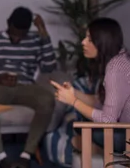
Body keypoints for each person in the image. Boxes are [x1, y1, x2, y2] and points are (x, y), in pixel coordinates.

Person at [0, 6, 56, 168]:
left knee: (47, 99)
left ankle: (26, 155)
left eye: (22, 34)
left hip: (25, 86)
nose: (17, 37)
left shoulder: (35, 40)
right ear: (8, 24)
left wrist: (44, 33)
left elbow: (49, 66)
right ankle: (1, 157)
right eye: (14, 32)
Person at [52, 18, 130, 153]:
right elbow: (102, 102)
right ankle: (101, 152)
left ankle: (103, 154)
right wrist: (74, 93)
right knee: (80, 131)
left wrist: (73, 101)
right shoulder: (120, 58)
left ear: (102, 42)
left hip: (126, 135)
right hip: (123, 129)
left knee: (81, 132)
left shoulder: (115, 68)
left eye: (89, 39)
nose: (83, 42)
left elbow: (107, 120)